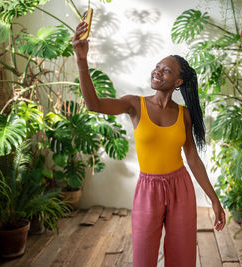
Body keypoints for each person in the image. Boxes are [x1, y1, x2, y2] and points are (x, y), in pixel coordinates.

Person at [72, 21, 226, 267]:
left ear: (178, 82)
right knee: (144, 260)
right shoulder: (135, 104)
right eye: (157, 67)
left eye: (166, 70)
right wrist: (81, 60)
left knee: (182, 259)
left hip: (180, 189)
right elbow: (94, 104)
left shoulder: (184, 114)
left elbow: (193, 159)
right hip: (148, 190)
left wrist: (214, 199)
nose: (157, 71)